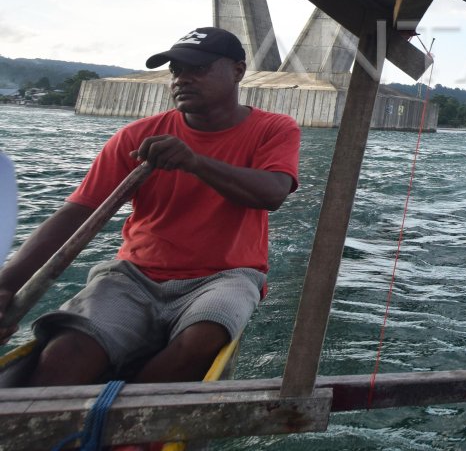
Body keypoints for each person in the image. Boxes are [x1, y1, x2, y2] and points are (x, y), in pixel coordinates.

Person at [0, 27, 300, 387]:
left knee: (202, 339)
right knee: (65, 352)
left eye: (198, 69)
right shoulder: (136, 137)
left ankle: (124, 428)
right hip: (135, 276)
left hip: (227, 275)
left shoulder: (274, 129)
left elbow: (273, 193)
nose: (182, 79)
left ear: (237, 71)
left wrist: (194, 162)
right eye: (176, 70)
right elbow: (76, 214)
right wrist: (6, 286)